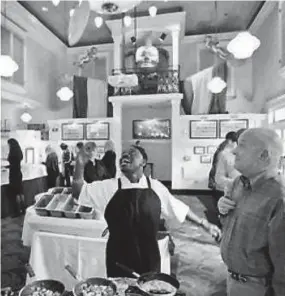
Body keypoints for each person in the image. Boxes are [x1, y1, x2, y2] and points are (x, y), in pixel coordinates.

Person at [73, 144, 221, 277]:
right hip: (118, 259)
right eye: (123, 154)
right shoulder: (109, 187)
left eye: (131, 152)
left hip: (149, 257)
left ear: (143, 162)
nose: (125, 155)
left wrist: (204, 223)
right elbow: (79, 192)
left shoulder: (156, 187)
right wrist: (79, 164)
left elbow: (178, 207)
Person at [217, 128, 285, 296]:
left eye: (242, 146)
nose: (234, 151)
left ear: (263, 156)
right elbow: (231, 228)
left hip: (259, 288)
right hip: (232, 279)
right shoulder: (238, 184)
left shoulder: (279, 198)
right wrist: (223, 211)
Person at [7, 138, 25, 217]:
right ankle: (23, 209)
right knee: (20, 192)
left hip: (13, 174)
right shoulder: (19, 152)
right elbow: (17, 163)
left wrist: (7, 167)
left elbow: (13, 164)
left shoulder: (12, 153)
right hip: (19, 173)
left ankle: (17, 211)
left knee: (15, 193)